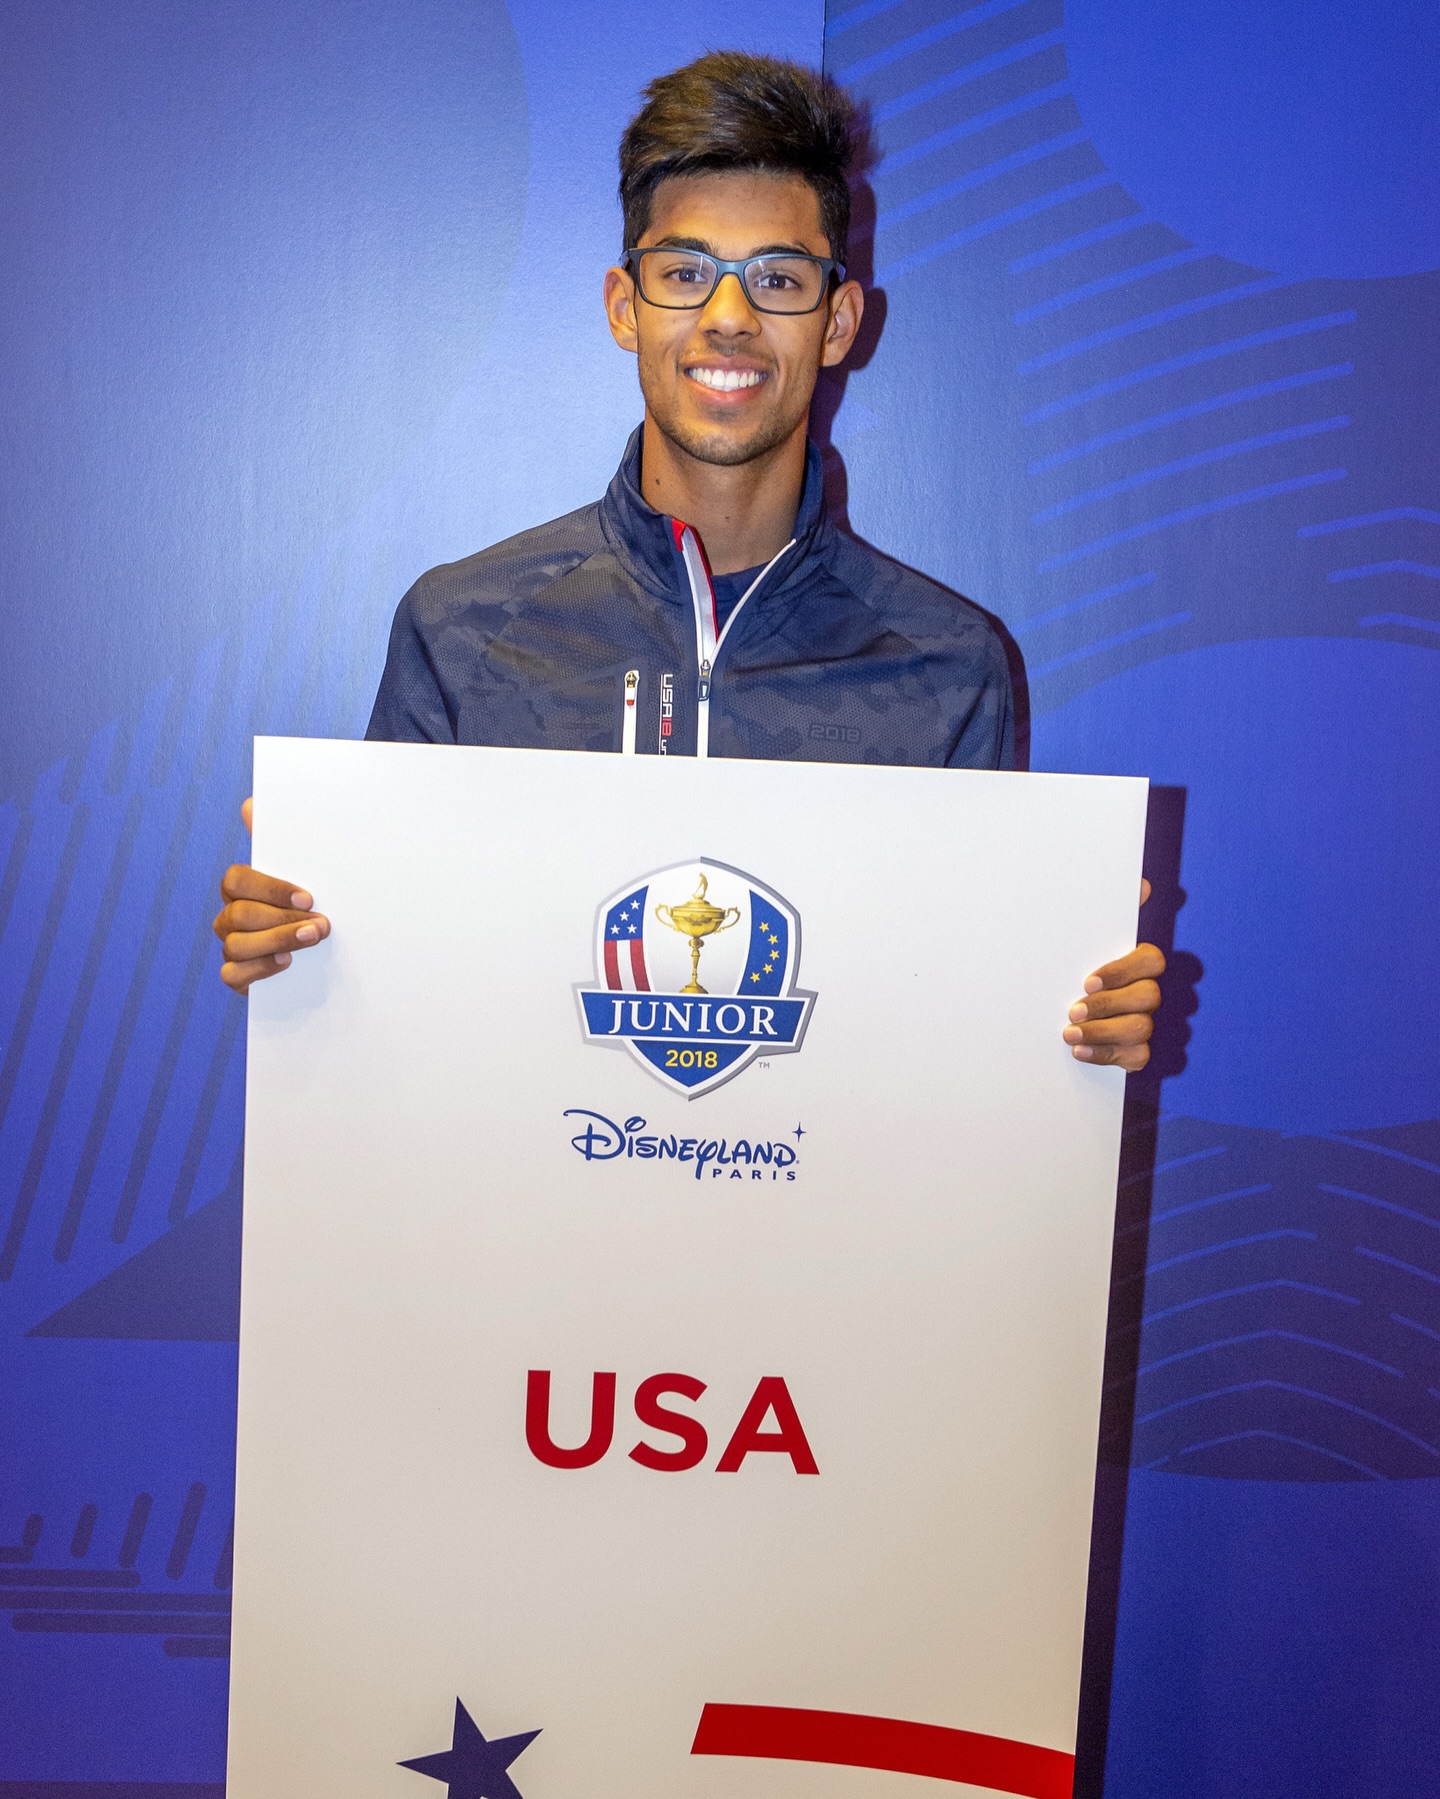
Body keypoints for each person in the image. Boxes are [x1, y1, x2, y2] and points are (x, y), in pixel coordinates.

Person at [213, 52, 1163, 1068]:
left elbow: (959, 1035)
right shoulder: (461, 628)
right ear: (625, 305)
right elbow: (393, 1009)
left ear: (838, 322)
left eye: (779, 279)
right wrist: (305, 945)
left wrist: (1069, 1021)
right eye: (685, 273)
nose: (728, 317)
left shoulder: (947, 663)